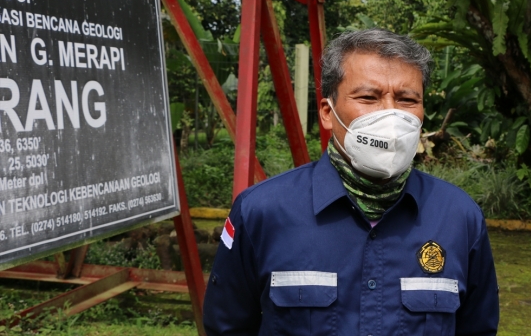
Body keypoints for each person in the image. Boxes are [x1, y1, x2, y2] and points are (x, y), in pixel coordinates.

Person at [203, 29, 499, 335]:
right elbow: (227, 326)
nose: (390, 115)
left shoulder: (459, 218)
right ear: (328, 113)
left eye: (407, 99)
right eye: (368, 97)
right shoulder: (260, 213)